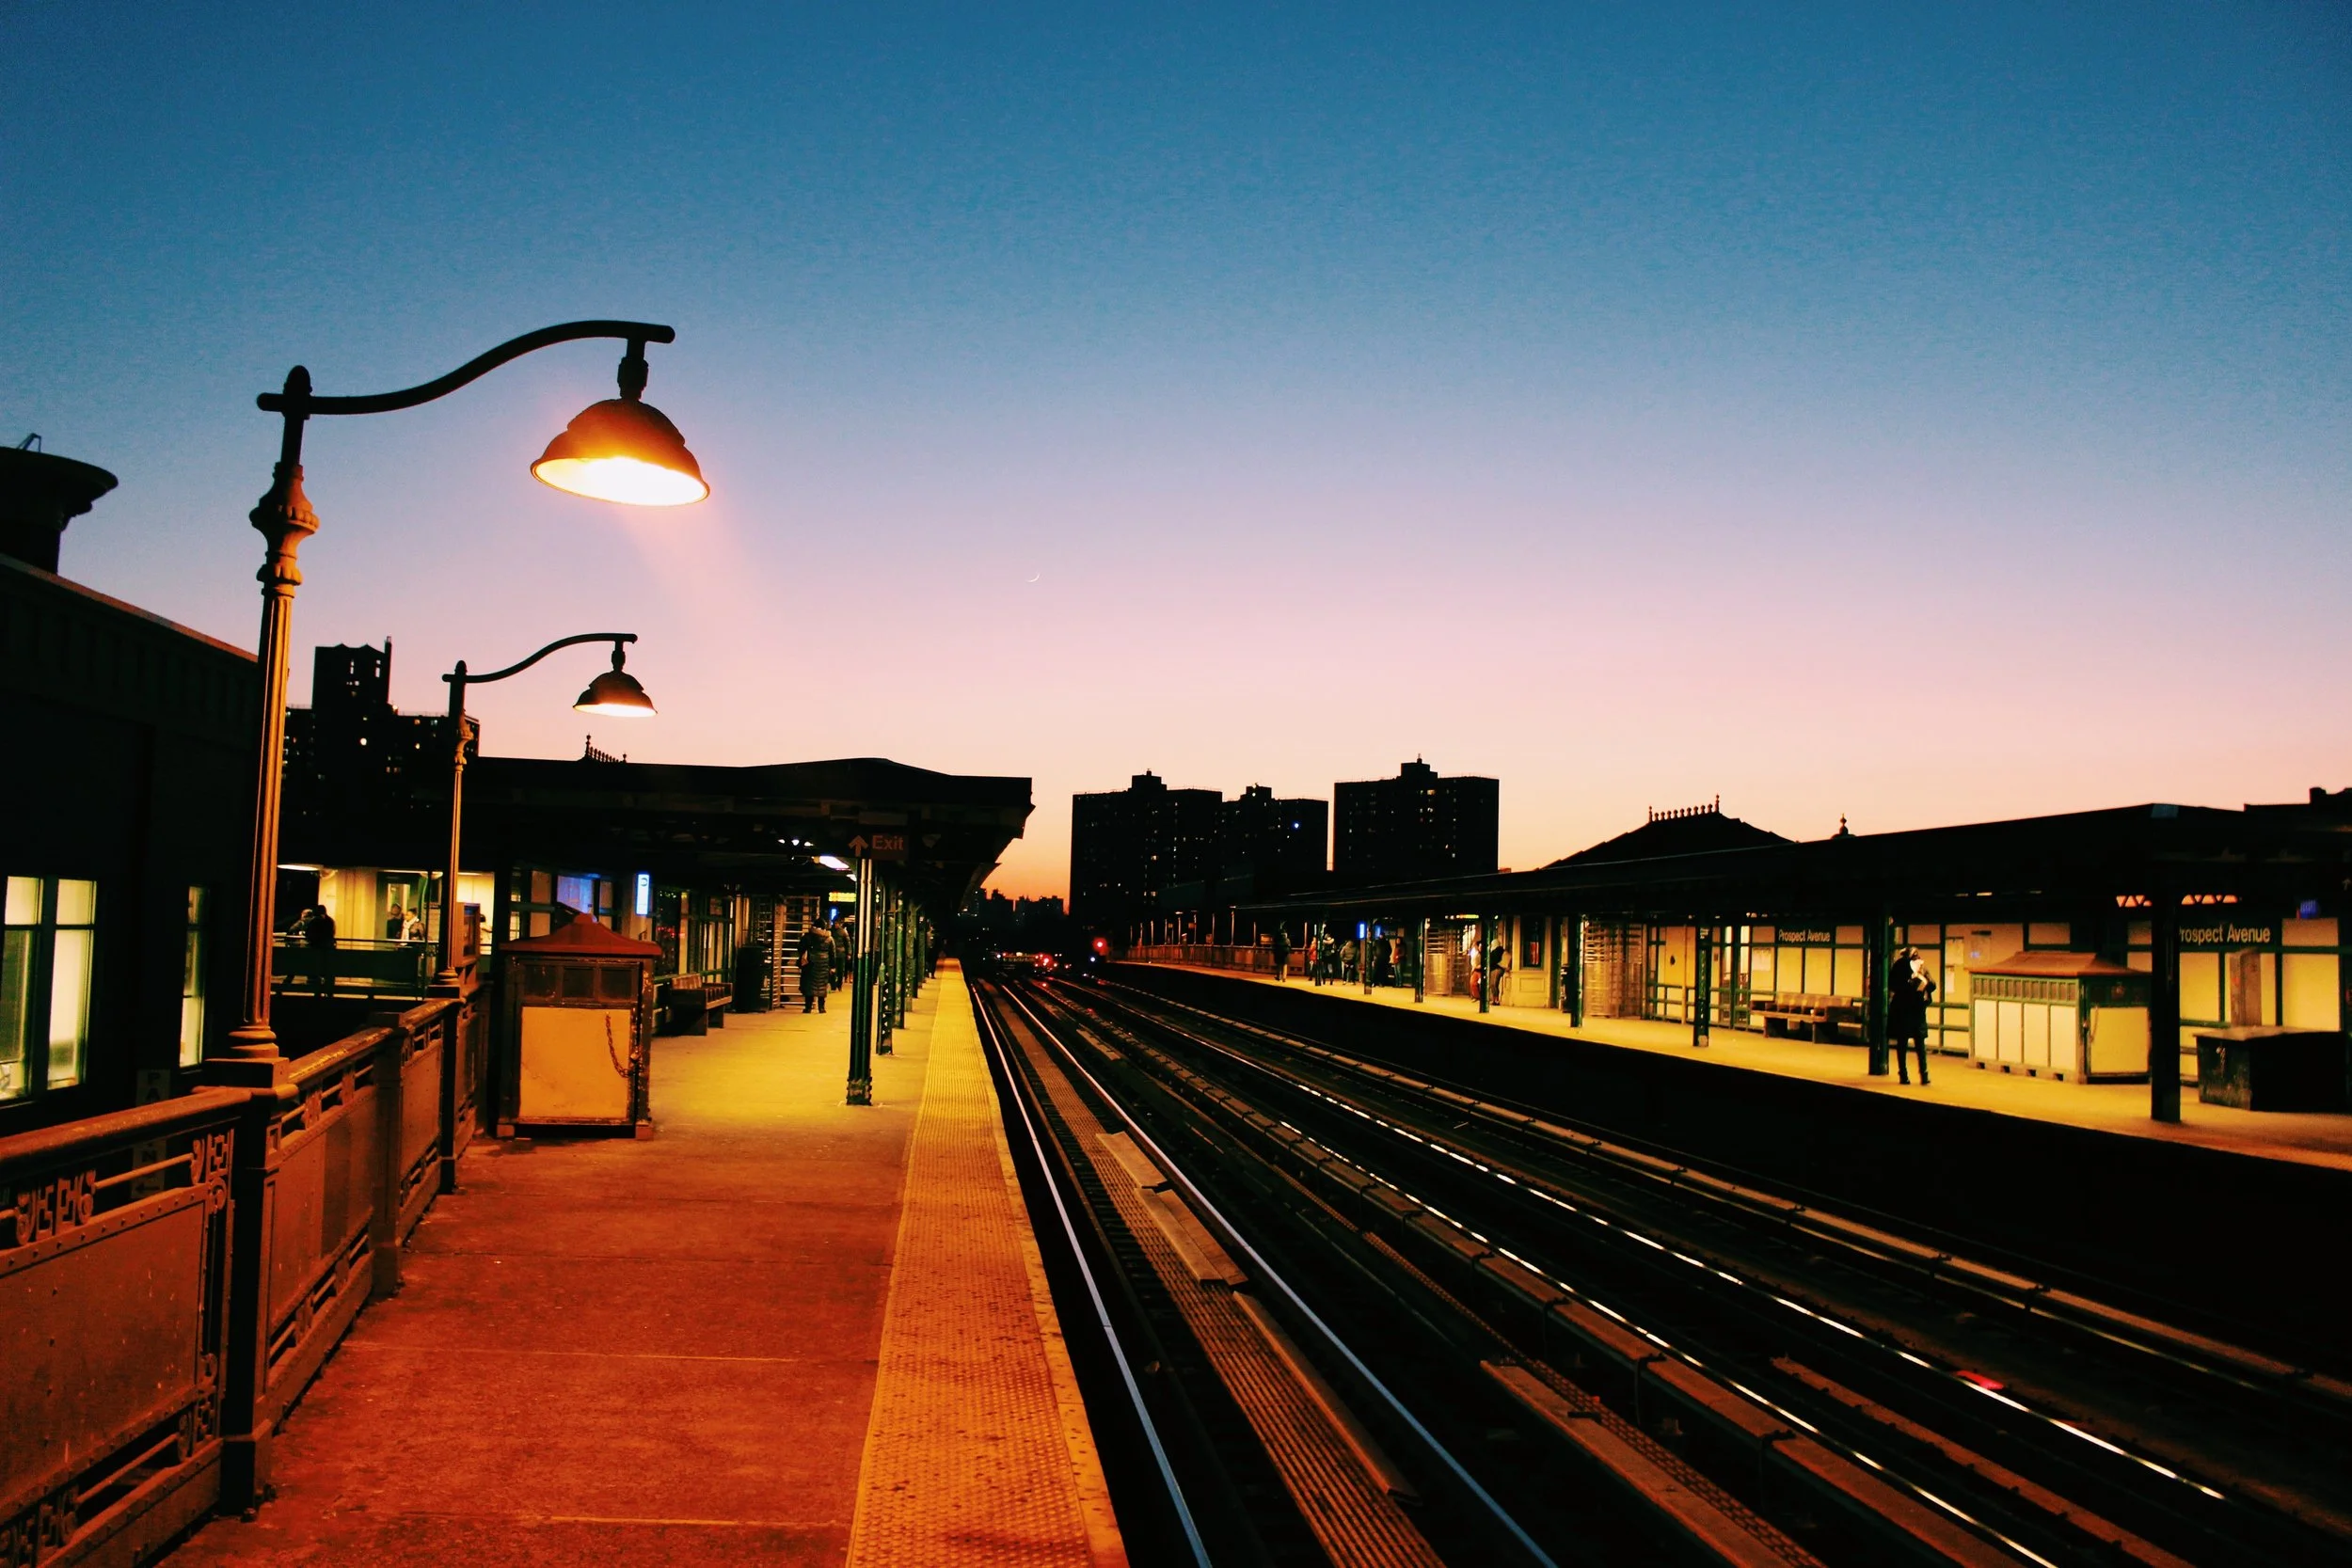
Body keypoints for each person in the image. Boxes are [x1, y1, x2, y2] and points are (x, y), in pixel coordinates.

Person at [1889, 946, 1936, 1085]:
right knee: (1913, 1043)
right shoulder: (1901, 967)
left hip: (1911, 1010)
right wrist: (1910, 982)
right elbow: (1894, 984)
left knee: (1909, 1044)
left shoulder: (1920, 967)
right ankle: (1916, 1074)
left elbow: (1932, 984)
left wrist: (1924, 981)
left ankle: (1912, 1074)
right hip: (1909, 1010)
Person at [799, 919, 833, 1012]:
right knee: (822, 985)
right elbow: (832, 953)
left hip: (810, 964)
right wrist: (833, 966)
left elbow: (800, 948)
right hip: (824, 964)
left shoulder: (808, 937)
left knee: (809, 985)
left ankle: (808, 1007)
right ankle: (821, 1008)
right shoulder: (829, 938)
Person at [304, 903, 337, 997]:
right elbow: (332, 933)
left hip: (316, 949)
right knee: (329, 972)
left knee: (316, 970)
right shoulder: (330, 921)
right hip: (329, 950)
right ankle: (329, 992)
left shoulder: (314, 921)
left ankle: (317, 991)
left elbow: (308, 934)